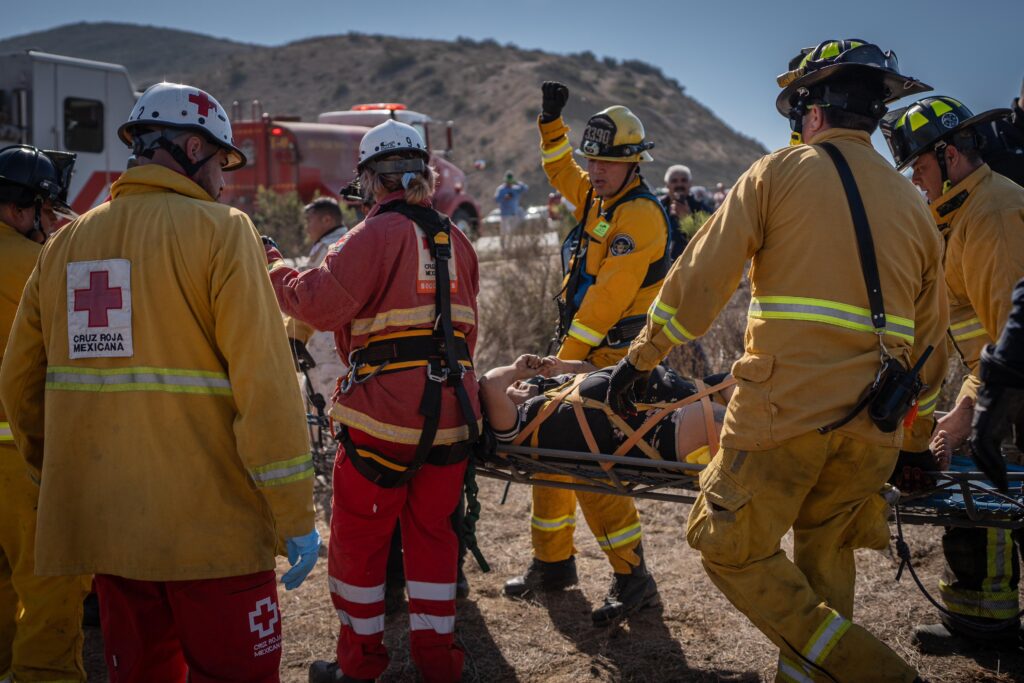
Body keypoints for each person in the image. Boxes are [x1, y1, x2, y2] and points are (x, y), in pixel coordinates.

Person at [608, 39, 945, 680]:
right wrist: (913, 442)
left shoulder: (777, 173)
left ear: (812, 112)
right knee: (827, 566)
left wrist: (641, 358)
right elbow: (928, 350)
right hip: (872, 430)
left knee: (726, 544)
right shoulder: (916, 209)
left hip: (781, 417)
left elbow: (700, 278)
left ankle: (876, 672)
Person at [0, 82, 320, 683]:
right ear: (192, 146)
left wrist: (61, 478)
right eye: (221, 163)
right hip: (215, 534)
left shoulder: (65, 241)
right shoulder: (224, 231)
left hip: (111, 532)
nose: (224, 181)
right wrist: (295, 513)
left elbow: (19, 383)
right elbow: (266, 386)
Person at [265, 119, 480, 683]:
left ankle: (358, 669)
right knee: (435, 543)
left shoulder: (372, 235)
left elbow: (316, 305)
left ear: (370, 180)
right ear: (422, 177)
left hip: (381, 422)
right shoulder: (458, 240)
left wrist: (273, 269)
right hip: (454, 419)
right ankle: (440, 666)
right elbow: (468, 335)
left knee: (359, 546)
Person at [503, 81, 670, 625]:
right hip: (579, 354)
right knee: (547, 457)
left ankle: (633, 578)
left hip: (612, 362)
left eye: (607, 162)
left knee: (593, 470)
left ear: (633, 164)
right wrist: (551, 123)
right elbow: (559, 171)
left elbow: (603, 305)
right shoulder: (599, 197)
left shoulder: (639, 217)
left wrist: (559, 364)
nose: (594, 170)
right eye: (592, 159)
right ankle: (553, 565)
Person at [881, 95, 1024, 651]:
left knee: (994, 497)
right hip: (995, 389)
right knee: (976, 503)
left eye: (919, 168)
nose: (917, 183)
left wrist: (967, 411)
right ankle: (982, 626)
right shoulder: (960, 212)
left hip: (1010, 392)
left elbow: (1009, 336)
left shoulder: (993, 216)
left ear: (949, 155)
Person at [0, 145, 92, 683]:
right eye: (45, 210)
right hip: (18, 453)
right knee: (50, 576)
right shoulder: (35, 264)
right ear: (20, 209)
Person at [481, 354, 728, 464]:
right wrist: (517, 368)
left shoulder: (550, 393)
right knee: (734, 423)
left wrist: (565, 366)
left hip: (679, 390)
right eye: (512, 386)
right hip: (656, 428)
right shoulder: (515, 427)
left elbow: (597, 372)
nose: (520, 383)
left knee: (749, 380)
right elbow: (489, 385)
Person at [288, 197, 350, 405]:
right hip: (330, 345)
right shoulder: (341, 243)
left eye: (310, 220)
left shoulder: (331, 248)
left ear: (326, 220)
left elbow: (310, 296)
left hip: (328, 346)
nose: (307, 227)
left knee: (328, 407)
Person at [661, 165, 713, 260]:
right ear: (667, 184)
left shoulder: (702, 210)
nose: (679, 185)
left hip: (692, 266)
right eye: (674, 181)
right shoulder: (658, 208)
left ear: (690, 184)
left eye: (684, 180)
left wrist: (687, 219)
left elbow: (708, 242)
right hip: (663, 269)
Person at [494, 171, 528, 248]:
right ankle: (503, 247)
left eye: (510, 181)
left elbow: (525, 189)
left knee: (512, 232)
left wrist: (517, 182)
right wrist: (504, 198)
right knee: (503, 232)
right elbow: (496, 200)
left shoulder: (516, 189)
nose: (509, 183)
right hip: (505, 214)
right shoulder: (501, 189)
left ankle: (509, 247)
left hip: (514, 214)